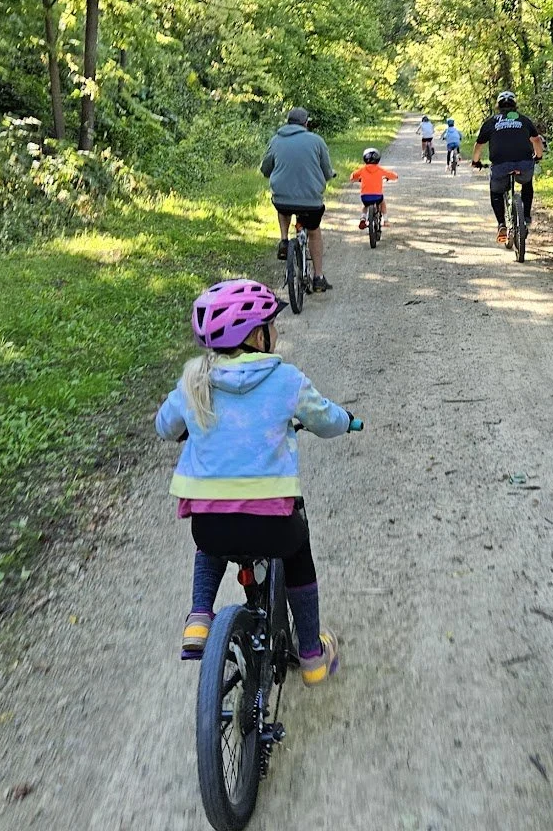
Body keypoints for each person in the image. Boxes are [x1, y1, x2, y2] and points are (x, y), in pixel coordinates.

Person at [156, 279, 359, 683]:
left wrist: (190, 426)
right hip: (273, 525)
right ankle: (312, 657)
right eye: (271, 323)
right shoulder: (286, 379)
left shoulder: (194, 380)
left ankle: (199, 617)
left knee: (211, 542)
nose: (276, 331)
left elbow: (165, 427)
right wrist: (348, 421)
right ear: (255, 334)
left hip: (211, 525)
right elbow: (325, 419)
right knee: (299, 553)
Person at [260, 107, 334, 292]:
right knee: (314, 231)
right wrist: (328, 176)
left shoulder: (276, 140)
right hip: (311, 201)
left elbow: (265, 169)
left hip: (283, 199)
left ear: (287, 122)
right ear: (306, 123)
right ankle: (318, 277)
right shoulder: (317, 141)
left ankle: (284, 240)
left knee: (282, 205)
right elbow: (326, 171)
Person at [470, 91, 544, 247]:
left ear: (498, 106)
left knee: (496, 191)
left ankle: (501, 224)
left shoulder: (491, 122)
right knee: (527, 183)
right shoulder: (523, 120)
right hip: (524, 164)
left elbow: (479, 145)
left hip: (500, 166)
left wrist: (475, 161)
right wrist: (538, 156)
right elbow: (536, 140)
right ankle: (526, 217)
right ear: (515, 105)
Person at [350, 147, 399, 229]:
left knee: (365, 206)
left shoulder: (362, 169)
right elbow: (392, 175)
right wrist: (394, 176)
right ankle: (385, 220)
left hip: (365, 197)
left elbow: (352, 176)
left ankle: (363, 218)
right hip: (377, 196)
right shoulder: (380, 169)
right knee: (382, 203)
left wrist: (358, 179)